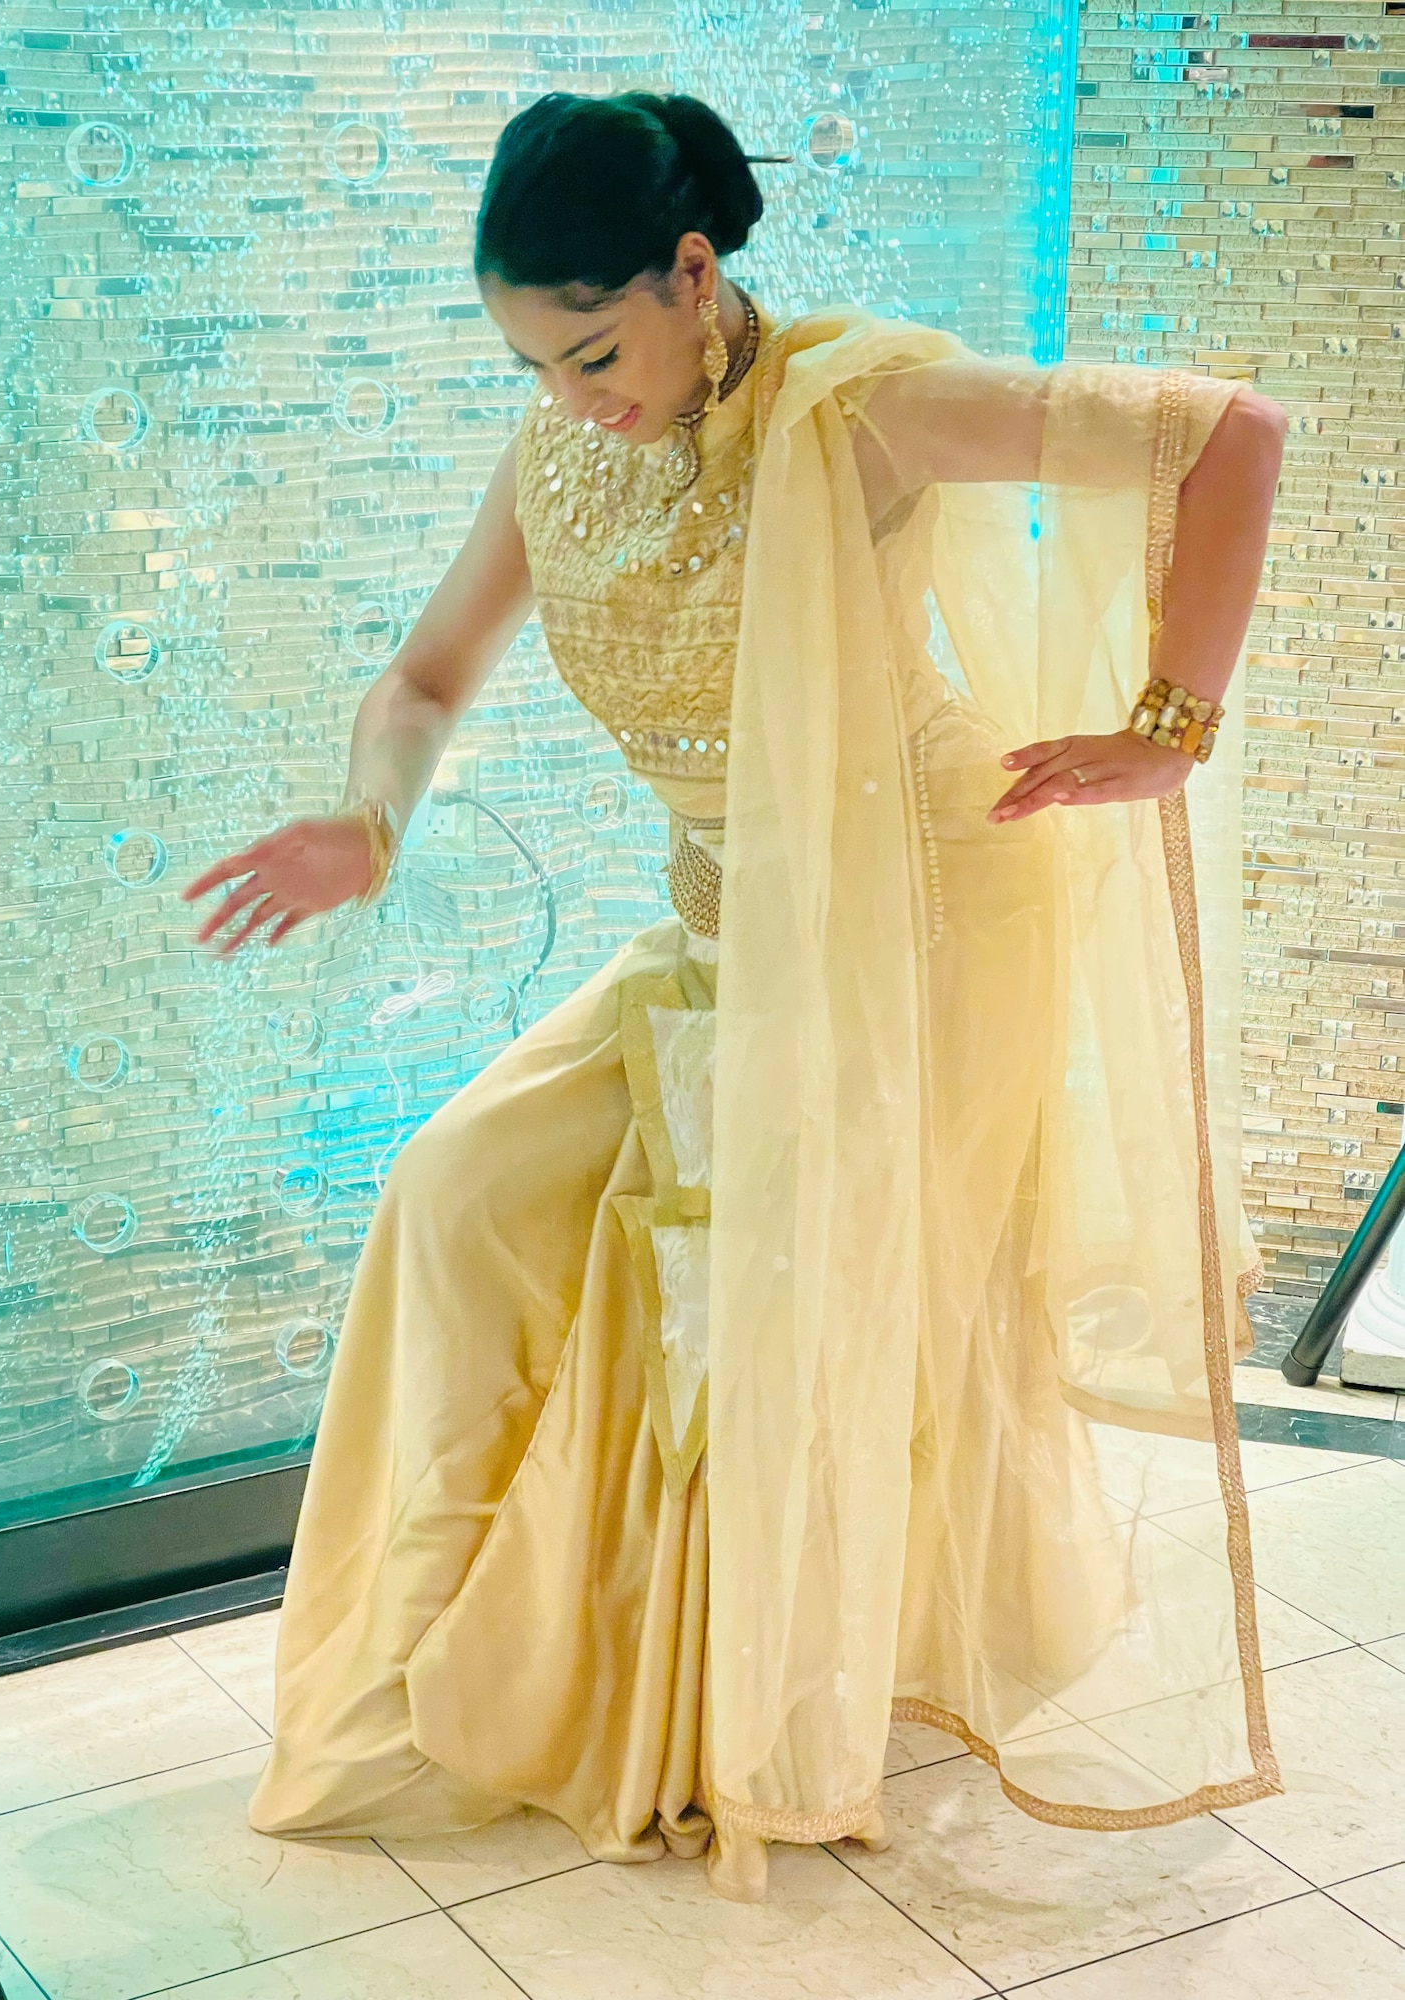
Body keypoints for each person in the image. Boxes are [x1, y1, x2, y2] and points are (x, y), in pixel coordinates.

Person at [185, 91, 1288, 1901]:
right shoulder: (568, 456)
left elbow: (1230, 436)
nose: (573, 398)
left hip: (922, 914)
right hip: (726, 922)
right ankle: (584, 1659)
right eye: (537, 364)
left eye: (597, 350)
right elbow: (423, 674)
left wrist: (1172, 729)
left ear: (695, 273)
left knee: (789, 1295)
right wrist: (368, 825)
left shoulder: (856, 406)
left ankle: (765, 1710)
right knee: (457, 1191)